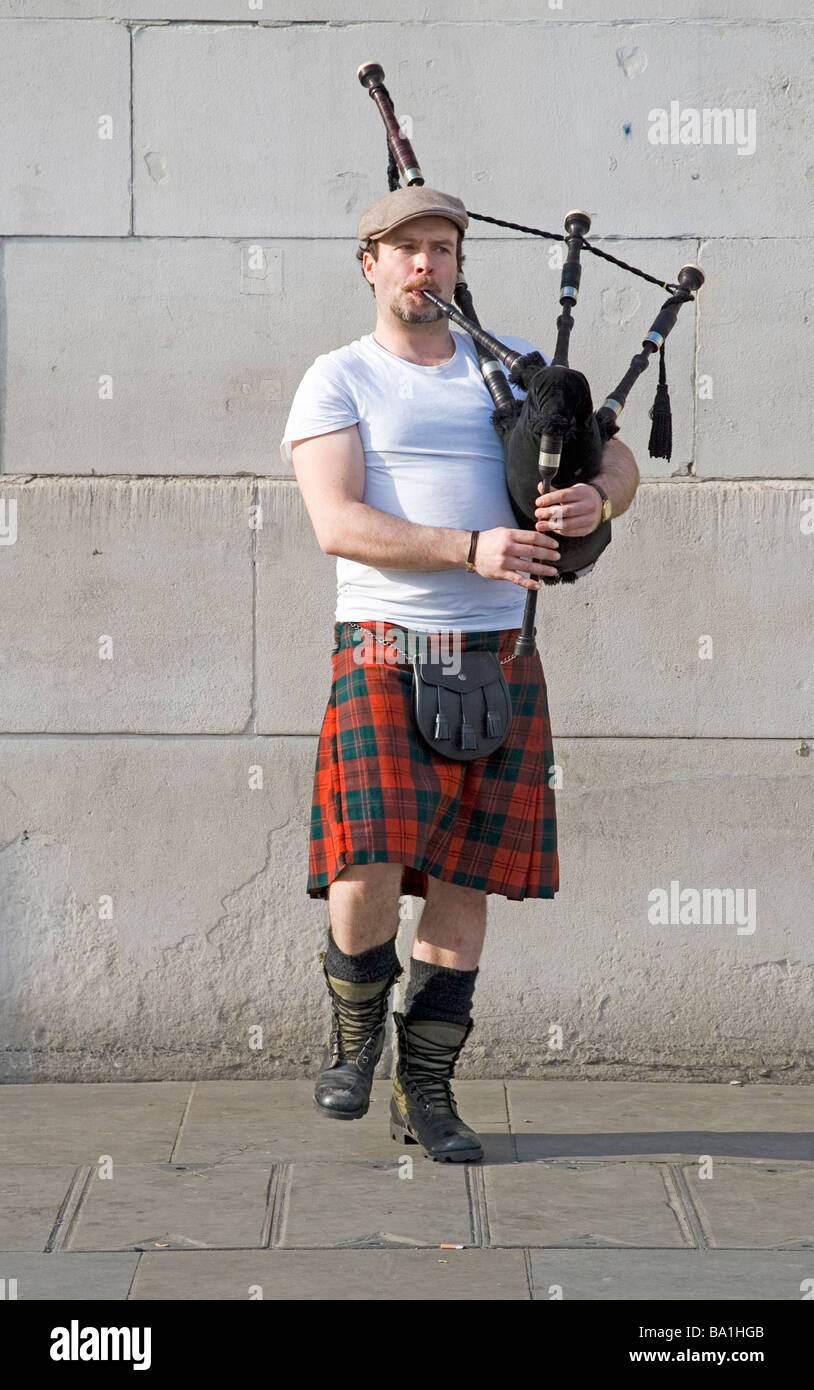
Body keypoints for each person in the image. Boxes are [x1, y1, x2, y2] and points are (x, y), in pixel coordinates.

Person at [280, 186, 639, 1162]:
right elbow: (336, 523)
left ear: (457, 265)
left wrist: (593, 505)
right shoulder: (338, 378)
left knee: (465, 882)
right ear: (370, 264)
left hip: (499, 658)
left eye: (440, 249)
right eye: (405, 250)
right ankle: (356, 1033)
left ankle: (427, 1092)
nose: (424, 266)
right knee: (362, 866)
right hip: (384, 650)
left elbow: (619, 464)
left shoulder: (510, 368)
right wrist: (468, 548)